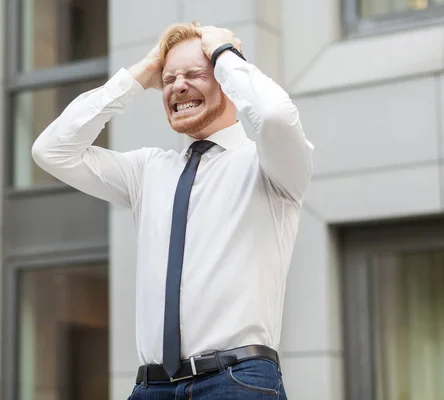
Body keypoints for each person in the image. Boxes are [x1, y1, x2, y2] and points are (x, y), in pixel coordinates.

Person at [32, 21, 313, 400]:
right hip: (151, 387)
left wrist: (224, 53)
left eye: (196, 73)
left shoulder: (269, 165)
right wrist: (137, 76)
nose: (178, 86)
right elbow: (52, 151)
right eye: (168, 79)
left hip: (236, 383)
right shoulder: (148, 170)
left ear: (228, 81)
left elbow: (276, 116)